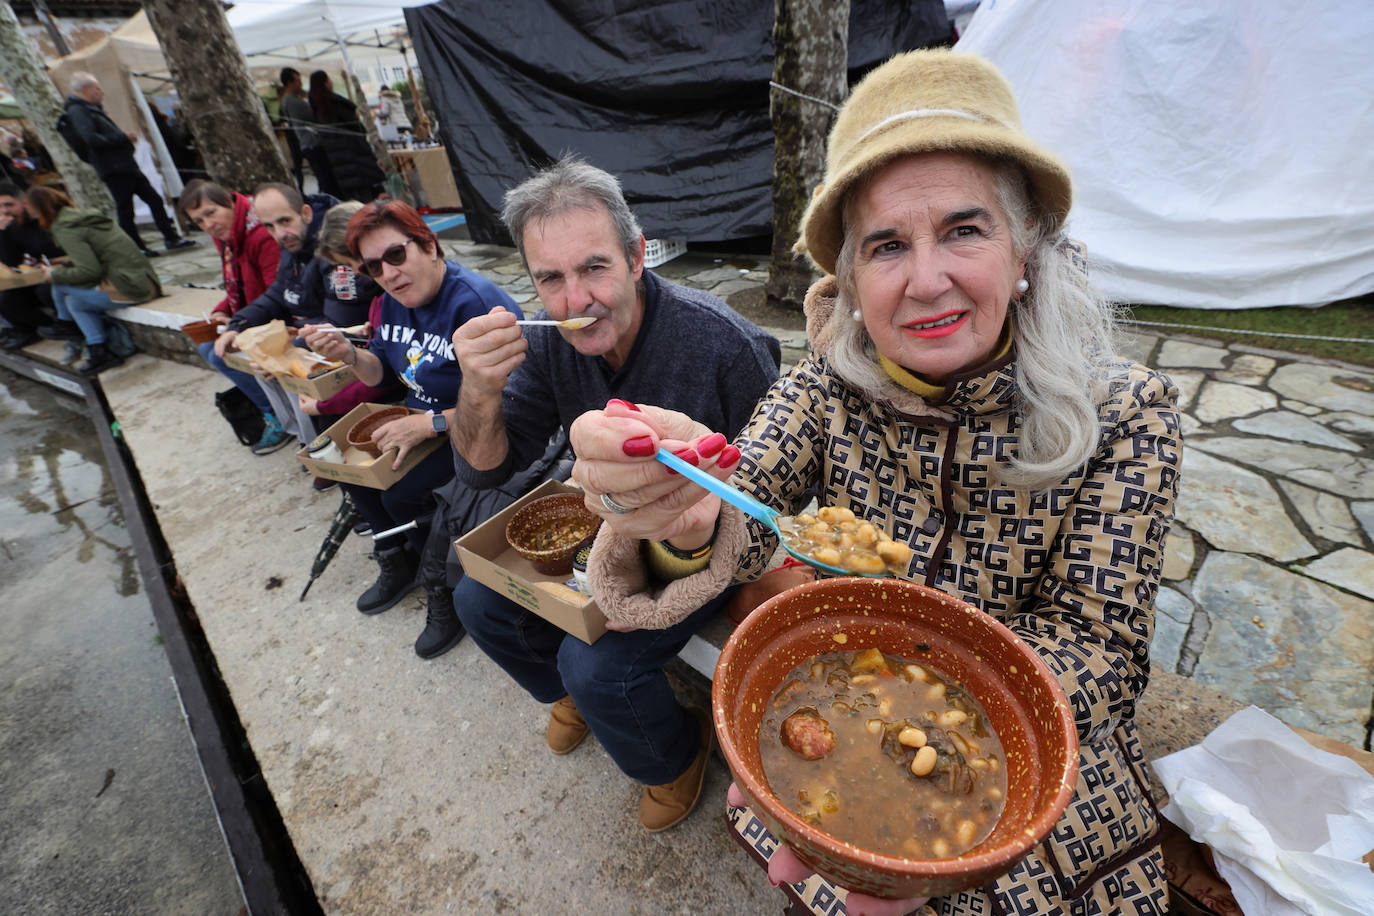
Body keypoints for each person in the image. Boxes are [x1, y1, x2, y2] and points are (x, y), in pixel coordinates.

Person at [569, 50, 1180, 915]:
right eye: (888, 244)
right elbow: (740, 508)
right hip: (839, 741)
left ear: (1024, 253)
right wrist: (679, 517)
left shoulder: (1129, 413)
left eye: (965, 230)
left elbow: (1103, 650)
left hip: (1036, 761)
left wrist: (930, 747)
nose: (926, 280)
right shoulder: (824, 388)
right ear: (850, 278)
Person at [448, 156, 781, 832]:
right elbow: (484, 468)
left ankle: (673, 758)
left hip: (707, 545)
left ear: (635, 257)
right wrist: (477, 391)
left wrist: (672, 561)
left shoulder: (726, 346)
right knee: (476, 599)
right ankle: (567, 692)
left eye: (594, 267)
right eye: (551, 278)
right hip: (601, 529)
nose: (576, 301)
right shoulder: (550, 345)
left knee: (595, 664)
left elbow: (770, 511)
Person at [301, 199, 518, 659]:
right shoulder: (391, 303)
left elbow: (520, 404)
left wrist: (430, 423)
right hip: (422, 422)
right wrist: (348, 354)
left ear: (430, 246)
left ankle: (442, 587)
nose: (389, 273)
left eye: (396, 255)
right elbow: (381, 374)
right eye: (374, 266)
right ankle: (398, 560)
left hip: (479, 432)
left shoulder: (474, 303)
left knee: (402, 495)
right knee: (342, 468)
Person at [212, 183, 350, 465]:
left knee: (279, 361)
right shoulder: (293, 246)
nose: (279, 233)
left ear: (307, 213)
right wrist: (237, 324)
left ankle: (322, 452)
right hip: (312, 331)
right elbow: (278, 293)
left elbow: (342, 320)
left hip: (346, 340)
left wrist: (284, 348)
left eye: (285, 221)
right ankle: (306, 440)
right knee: (252, 355)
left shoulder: (333, 246)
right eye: (270, 226)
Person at [180, 179, 289, 455]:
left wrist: (240, 324)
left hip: (283, 317)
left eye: (211, 213)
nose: (208, 225)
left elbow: (278, 294)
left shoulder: (261, 234)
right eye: (199, 221)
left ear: (229, 202)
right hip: (255, 314)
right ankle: (272, 408)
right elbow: (238, 285)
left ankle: (277, 415)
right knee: (209, 347)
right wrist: (222, 311)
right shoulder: (227, 236)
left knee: (219, 354)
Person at [23, 187, 161, 376]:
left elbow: (90, 271)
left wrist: (52, 274)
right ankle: (99, 352)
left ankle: (66, 325)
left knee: (59, 283)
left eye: (29, 207)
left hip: (131, 287)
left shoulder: (65, 228)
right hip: (144, 281)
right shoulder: (79, 218)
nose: (28, 212)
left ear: (39, 208)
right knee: (75, 302)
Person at [61, 73, 194, 258]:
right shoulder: (78, 111)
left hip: (125, 165)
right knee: (126, 209)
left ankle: (170, 238)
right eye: (97, 88)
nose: (101, 92)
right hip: (113, 168)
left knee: (154, 200)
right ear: (86, 89)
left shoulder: (90, 109)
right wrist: (123, 137)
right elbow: (91, 139)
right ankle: (135, 246)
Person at [0, 180, 64, 351]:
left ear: (24, 203)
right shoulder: (13, 227)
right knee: (7, 298)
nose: (5, 211)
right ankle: (41, 327)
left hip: (65, 269)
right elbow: (10, 261)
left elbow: (52, 249)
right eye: (0, 207)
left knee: (43, 291)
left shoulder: (43, 218)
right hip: (41, 273)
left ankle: (68, 329)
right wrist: (3, 233)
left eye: (9, 205)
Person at [307, 71, 384, 203]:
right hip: (356, 157)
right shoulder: (338, 104)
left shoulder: (317, 109)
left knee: (353, 201)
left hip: (338, 163)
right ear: (326, 83)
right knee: (368, 198)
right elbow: (358, 129)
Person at [279, 68, 339, 197]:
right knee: (325, 178)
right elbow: (312, 118)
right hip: (312, 143)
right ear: (290, 83)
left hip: (307, 143)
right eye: (298, 80)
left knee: (323, 178)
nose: (300, 83)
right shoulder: (292, 102)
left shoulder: (288, 101)